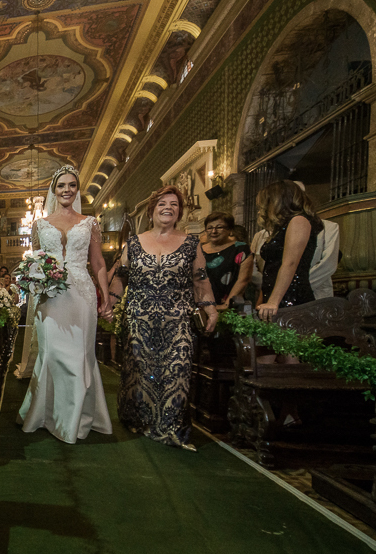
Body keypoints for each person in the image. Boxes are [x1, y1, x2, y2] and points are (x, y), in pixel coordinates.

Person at [112, 183, 218, 450]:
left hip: (178, 321)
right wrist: (110, 305)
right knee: (140, 373)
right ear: (152, 211)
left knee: (178, 373)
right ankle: (140, 420)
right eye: (162, 204)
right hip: (139, 320)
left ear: (179, 212)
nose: (168, 208)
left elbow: (200, 280)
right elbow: (119, 278)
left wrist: (211, 309)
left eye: (174, 205)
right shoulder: (134, 243)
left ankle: (172, 429)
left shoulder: (191, 243)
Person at [17, 166, 113, 443]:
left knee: (80, 355)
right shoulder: (39, 224)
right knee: (52, 354)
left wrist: (105, 295)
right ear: (53, 190)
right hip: (49, 296)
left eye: (72, 185)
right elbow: (34, 261)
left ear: (77, 189)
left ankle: (77, 417)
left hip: (81, 293)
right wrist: (33, 281)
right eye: (61, 186)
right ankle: (46, 414)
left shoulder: (90, 222)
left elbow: (98, 263)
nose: (67, 190)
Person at [255, 180, 324, 320]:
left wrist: (274, 301)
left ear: (277, 201)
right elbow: (271, 269)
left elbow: (290, 264)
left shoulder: (299, 220)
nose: (263, 208)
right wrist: (262, 301)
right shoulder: (282, 227)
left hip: (291, 296)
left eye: (266, 202)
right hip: (276, 296)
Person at [201, 211, 253, 309]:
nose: (214, 231)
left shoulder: (241, 249)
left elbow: (244, 279)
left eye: (219, 227)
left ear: (230, 230)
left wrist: (226, 305)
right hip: (202, 308)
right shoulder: (198, 251)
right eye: (210, 228)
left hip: (230, 306)